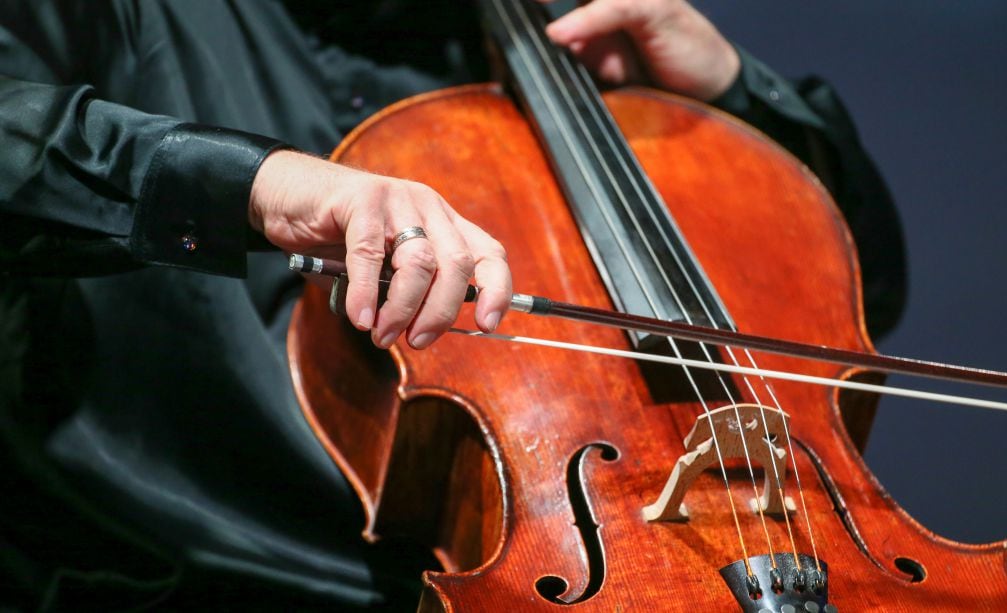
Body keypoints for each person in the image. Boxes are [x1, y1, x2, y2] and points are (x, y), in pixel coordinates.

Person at [0, 0, 905, 608]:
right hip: (180, 572)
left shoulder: (562, 39)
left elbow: (863, 290)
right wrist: (254, 184)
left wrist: (738, 97)